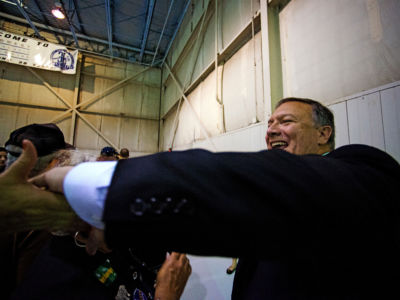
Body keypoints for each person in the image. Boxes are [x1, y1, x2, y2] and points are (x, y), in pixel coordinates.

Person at [3, 98, 400, 299]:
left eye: (287, 121)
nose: (272, 130)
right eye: (269, 123)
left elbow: (249, 185)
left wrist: (87, 190)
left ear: (324, 134)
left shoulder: (367, 172)